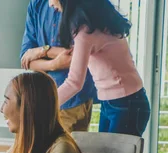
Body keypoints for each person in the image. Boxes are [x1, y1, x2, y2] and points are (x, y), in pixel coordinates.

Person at [55, 0, 150, 136]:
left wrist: (47, 105)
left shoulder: (86, 33)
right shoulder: (99, 23)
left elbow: (74, 83)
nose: (50, 4)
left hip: (125, 105)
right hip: (119, 102)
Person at [20, 0, 97, 132]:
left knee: (73, 151)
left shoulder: (80, 5)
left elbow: (78, 54)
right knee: (57, 151)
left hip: (80, 95)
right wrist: (54, 64)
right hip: (52, 98)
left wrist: (42, 50)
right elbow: (26, 59)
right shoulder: (36, 4)